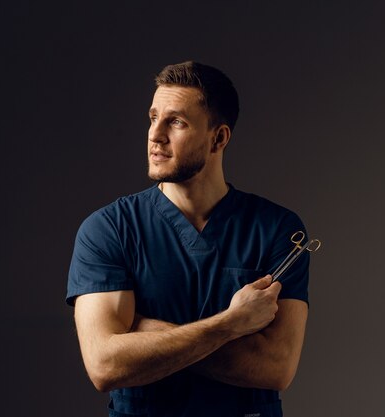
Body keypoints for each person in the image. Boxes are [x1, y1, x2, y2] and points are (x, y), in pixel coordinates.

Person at [66, 61, 310, 417]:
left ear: (219, 138)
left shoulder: (277, 229)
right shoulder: (108, 229)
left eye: (176, 122)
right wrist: (229, 324)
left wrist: (145, 331)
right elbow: (105, 365)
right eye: (153, 118)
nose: (155, 134)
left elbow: (275, 369)